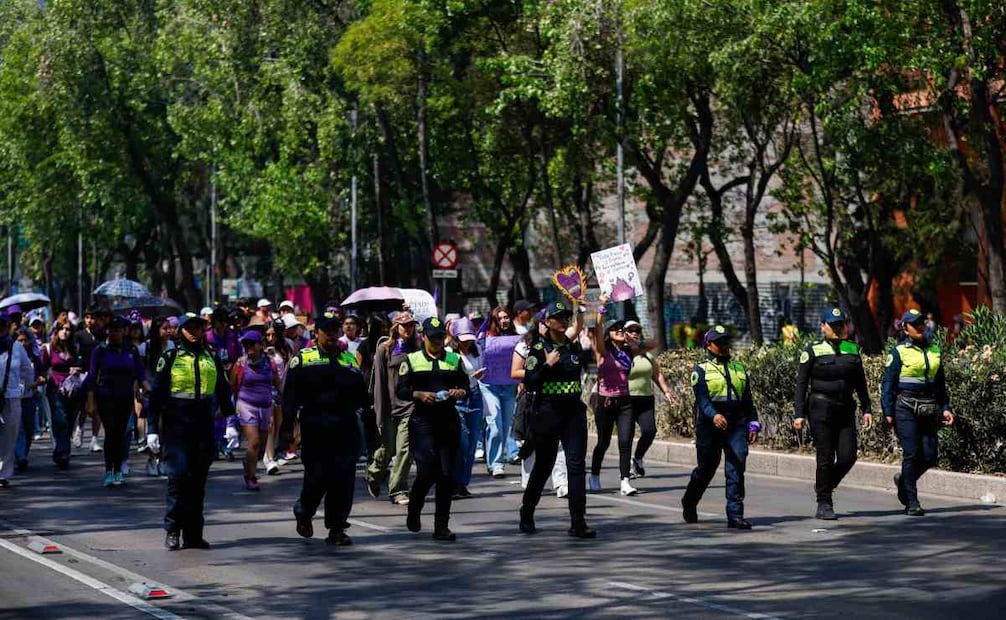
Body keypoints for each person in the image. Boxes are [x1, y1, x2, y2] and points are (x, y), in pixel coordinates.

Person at [147, 313, 235, 550]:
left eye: (199, 328)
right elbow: (155, 395)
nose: (196, 332)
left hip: (203, 423)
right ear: (181, 331)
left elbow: (224, 389)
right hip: (176, 423)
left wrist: (230, 423)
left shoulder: (211, 356)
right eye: (191, 328)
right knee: (178, 478)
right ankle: (173, 530)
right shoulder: (171, 356)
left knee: (198, 482)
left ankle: (194, 534)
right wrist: (152, 429)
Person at [282, 312, 366, 545]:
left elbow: (362, 396)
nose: (331, 333)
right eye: (326, 329)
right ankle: (304, 510)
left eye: (334, 329)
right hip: (315, 426)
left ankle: (337, 527)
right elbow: (289, 397)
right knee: (317, 476)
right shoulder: (303, 359)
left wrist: (371, 426)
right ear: (316, 333)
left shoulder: (349, 359)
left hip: (345, 426)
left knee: (343, 478)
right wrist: (287, 428)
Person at [518, 301, 595, 539]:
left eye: (566, 316)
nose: (563, 320)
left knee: (576, 466)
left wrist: (582, 309)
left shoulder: (572, 347)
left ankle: (577, 522)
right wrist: (547, 365)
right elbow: (530, 381)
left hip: (573, 413)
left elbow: (581, 330)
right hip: (547, 413)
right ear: (547, 322)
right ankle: (527, 512)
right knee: (543, 466)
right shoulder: (539, 348)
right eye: (558, 317)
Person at [792, 307, 873, 520]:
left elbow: (860, 382)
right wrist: (799, 413)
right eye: (833, 325)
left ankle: (825, 484)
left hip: (845, 409)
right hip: (820, 410)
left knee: (848, 457)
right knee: (825, 457)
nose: (838, 329)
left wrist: (867, 408)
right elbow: (801, 384)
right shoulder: (812, 350)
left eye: (841, 325)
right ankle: (824, 502)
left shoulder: (852, 349)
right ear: (823, 326)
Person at [398, 317, 469, 542]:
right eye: (433, 337)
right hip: (423, 423)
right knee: (427, 471)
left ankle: (441, 526)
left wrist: (460, 392)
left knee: (446, 476)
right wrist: (417, 394)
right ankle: (414, 509)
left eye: (440, 337)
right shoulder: (411, 360)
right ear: (423, 336)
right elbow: (401, 390)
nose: (437, 341)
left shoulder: (454, 359)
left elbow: (466, 385)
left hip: (448, 420)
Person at [681, 326, 760, 530]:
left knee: (736, 467)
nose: (724, 346)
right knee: (706, 469)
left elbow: (748, 401)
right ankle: (689, 501)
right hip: (710, 425)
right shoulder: (701, 370)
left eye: (726, 341)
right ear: (709, 345)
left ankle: (735, 515)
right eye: (719, 342)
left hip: (736, 425)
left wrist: (754, 422)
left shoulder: (739, 368)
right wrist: (714, 415)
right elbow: (702, 400)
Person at [882, 308, 955, 517]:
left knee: (930, 456)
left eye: (922, 323)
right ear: (905, 328)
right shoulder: (898, 352)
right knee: (912, 453)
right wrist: (888, 410)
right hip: (905, 407)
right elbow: (888, 382)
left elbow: (940, 384)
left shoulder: (934, 350)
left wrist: (946, 408)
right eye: (916, 324)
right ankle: (911, 501)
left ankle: (904, 480)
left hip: (929, 407)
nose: (921, 327)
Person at [85, 316, 148, 486]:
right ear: (108, 332)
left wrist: (147, 388)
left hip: (125, 396)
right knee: (111, 433)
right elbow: (92, 376)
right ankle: (108, 471)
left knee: (121, 434)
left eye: (119, 330)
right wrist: (90, 400)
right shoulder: (100, 350)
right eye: (113, 330)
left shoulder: (131, 351)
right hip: (105, 396)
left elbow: (141, 374)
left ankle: (119, 470)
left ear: (124, 331)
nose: (116, 333)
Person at [589, 293, 639, 496]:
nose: (620, 331)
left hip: (625, 401)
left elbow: (650, 344)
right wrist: (602, 306)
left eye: (622, 328)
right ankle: (594, 474)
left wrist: (633, 339)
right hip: (605, 400)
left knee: (626, 441)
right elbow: (596, 330)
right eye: (616, 329)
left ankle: (625, 481)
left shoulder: (628, 351)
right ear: (609, 334)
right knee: (603, 442)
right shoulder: (602, 350)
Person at [366, 311, 419, 505]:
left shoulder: (417, 348)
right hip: (389, 407)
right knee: (387, 449)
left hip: (410, 407)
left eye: (411, 325)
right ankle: (373, 473)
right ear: (395, 327)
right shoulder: (384, 349)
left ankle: (398, 489)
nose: (408, 329)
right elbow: (378, 383)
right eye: (404, 325)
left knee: (405, 449)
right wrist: (379, 414)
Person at [231, 330, 281, 491]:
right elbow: (233, 386)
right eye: (246, 344)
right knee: (254, 441)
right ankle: (250, 476)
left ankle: (249, 462)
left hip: (266, 406)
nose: (249, 347)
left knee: (261, 444)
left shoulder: (270, 363)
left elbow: (277, 384)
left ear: (260, 345)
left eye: (252, 344)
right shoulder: (240, 363)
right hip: (247, 405)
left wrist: (284, 399)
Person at [624, 321, 674, 479]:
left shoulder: (647, 355)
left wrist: (666, 392)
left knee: (649, 431)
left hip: (645, 399)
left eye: (638, 330)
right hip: (626, 400)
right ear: (623, 333)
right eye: (631, 330)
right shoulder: (621, 353)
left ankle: (637, 459)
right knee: (627, 436)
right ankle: (625, 472)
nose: (635, 333)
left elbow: (657, 374)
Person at [480, 306, 521, 477]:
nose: (504, 320)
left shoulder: (517, 339)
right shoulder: (484, 338)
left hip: (509, 387)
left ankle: (497, 459)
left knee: (505, 427)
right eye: (500, 318)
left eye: (506, 317)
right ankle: (496, 463)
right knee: (495, 425)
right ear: (494, 320)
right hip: (489, 386)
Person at [448, 318, 483, 499]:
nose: (467, 342)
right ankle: (453, 482)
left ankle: (462, 483)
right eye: (463, 338)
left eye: (470, 338)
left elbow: (480, 374)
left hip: (475, 397)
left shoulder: (476, 352)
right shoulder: (449, 354)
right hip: (457, 400)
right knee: (461, 443)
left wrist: (477, 377)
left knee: (471, 444)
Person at [0, 313, 36, 488]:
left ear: (8, 327)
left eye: (2, 326)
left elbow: (27, 370)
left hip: (12, 397)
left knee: (9, 436)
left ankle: (3, 473)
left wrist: (23, 388)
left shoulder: (17, 348)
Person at [41, 321, 82, 469]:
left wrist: (77, 369)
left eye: (68, 329)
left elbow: (81, 364)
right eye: (62, 329)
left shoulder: (74, 348)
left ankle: (62, 452)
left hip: (73, 390)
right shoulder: (48, 348)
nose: (65, 332)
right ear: (56, 331)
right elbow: (43, 368)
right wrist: (42, 378)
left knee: (69, 422)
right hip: (56, 388)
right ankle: (62, 453)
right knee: (61, 420)